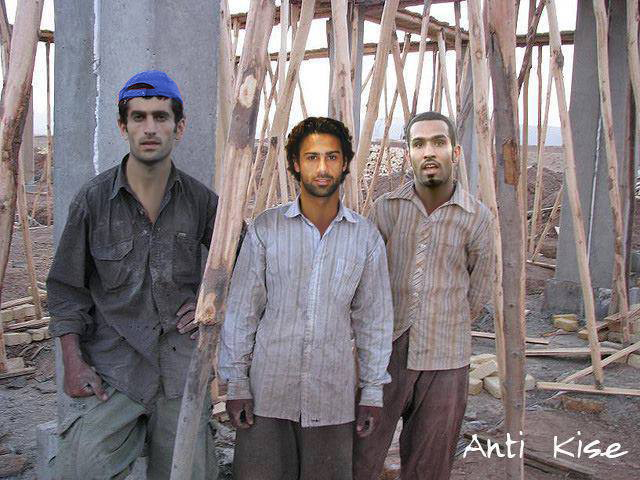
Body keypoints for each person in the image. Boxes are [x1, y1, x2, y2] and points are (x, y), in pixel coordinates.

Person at [47, 70, 219, 479]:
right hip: (114, 370)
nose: (150, 128)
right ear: (122, 127)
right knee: (80, 467)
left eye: (161, 117)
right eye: (138, 117)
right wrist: (72, 362)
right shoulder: (93, 201)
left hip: (179, 369)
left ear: (179, 127)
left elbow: (244, 261)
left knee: (189, 470)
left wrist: (214, 300)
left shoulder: (201, 201)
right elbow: (66, 290)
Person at [219, 117, 394, 480]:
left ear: (345, 164)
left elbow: (374, 321)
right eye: (312, 157)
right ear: (296, 165)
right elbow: (242, 311)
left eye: (332, 157)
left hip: (331, 396)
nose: (322, 168)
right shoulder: (267, 229)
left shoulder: (365, 238)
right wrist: (236, 383)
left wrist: (372, 392)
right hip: (269, 392)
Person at [353, 111, 495, 479]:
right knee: (362, 451)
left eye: (438, 142)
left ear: (455, 152)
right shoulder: (387, 209)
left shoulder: (476, 217)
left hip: (446, 356)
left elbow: (479, 289)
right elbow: (366, 280)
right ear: (409, 154)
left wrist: (444, 319)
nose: (428, 151)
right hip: (385, 352)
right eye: (418, 144)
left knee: (430, 462)